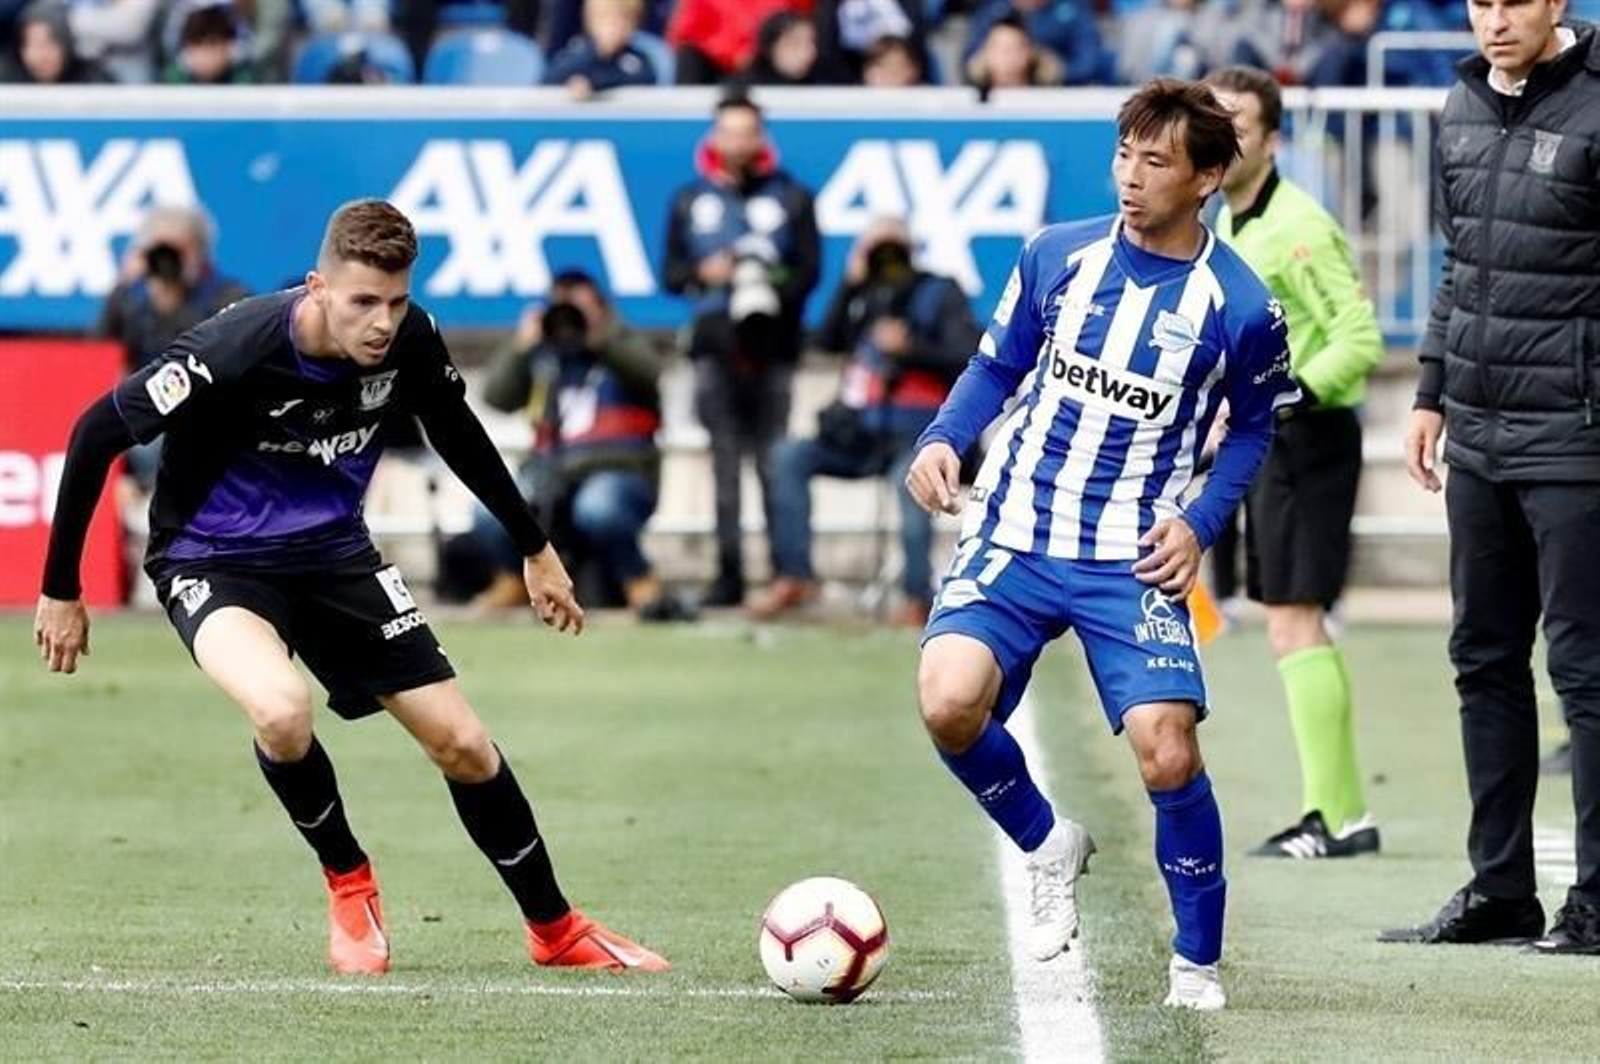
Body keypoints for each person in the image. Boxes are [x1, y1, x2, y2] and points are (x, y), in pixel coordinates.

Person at [33, 200, 669, 976]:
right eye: (363, 302)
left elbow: (457, 430)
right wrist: (60, 587)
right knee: (281, 709)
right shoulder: (234, 346)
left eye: (396, 302)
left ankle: (556, 928)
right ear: (318, 287)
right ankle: (349, 880)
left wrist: (536, 548)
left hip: (336, 556)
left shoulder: (410, 341)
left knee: (464, 745)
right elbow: (95, 432)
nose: (382, 323)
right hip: (211, 559)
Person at [906, 78, 1295, 1010]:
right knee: (949, 702)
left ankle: (1195, 963)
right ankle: (1047, 843)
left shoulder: (1238, 305)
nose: (1130, 176)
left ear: (1205, 178)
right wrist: (940, 439)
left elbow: (1252, 430)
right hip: (1017, 527)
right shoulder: (1057, 255)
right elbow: (998, 363)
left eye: (1156, 162)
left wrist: (1199, 525)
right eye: (1125, 153)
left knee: (1168, 753)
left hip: (1132, 550)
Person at [1385, 1, 1600, 954]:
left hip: (1579, 434)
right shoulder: (1460, 103)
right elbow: (1462, 263)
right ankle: (1502, 887)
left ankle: (1597, 900)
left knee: (1587, 674)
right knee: (1482, 661)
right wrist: (1431, 389)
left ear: (1558, 2)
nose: (1495, 18)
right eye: (1479, 1)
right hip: (1479, 430)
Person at [1207, 64, 1385, 859]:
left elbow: (1360, 337)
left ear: (1272, 139)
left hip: (1311, 440)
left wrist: (1288, 397)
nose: (1224, 134)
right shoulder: (1231, 226)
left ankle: (1334, 818)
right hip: (1275, 441)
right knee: (1291, 624)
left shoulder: (1299, 225)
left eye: (1239, 121)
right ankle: (1343, 812)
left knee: (1293, 623)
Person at [750, 218, 979, 624]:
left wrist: (910, 348)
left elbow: (968, 353)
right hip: (857, 435)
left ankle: (915, 596)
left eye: (893, 247)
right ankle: (795, 575)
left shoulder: (940, 293)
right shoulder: (865, 296)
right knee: (788, 456)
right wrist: (849, 283)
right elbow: (824, 342)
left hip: (916, 433)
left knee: (908, 482)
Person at [457, 269, 692, 622]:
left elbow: (651, 374)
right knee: (487, 511)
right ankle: (514, 579)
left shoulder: (622, 341)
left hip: (619, 470)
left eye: (579, 307)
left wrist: (602, 334)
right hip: (551, 470)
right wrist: (523, 345)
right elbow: (497, 396)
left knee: (599, 508)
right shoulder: (545, 356)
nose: (570, 318)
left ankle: (639, 581)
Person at [662, 92, 820, 606]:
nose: (736, 143)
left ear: (761, 138)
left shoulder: (792, 196)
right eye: (727, 132)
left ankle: (786, 572)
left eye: (746, 132)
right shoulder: (691, 198)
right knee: (724, 464)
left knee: (774, 461)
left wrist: (768, 280)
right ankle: (727, 574)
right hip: (713, 346)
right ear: (713, 137)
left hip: (772, 348)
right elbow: (670, 273)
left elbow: (810, 271)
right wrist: (708, 275)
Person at [542, 0, 659, 99]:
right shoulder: (578, 54)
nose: (615, 28)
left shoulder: (637, 60)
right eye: (608, 21)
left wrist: (595, 84)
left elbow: (646, 80)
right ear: (591, 21)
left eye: (624, 21)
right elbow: (550, 78)